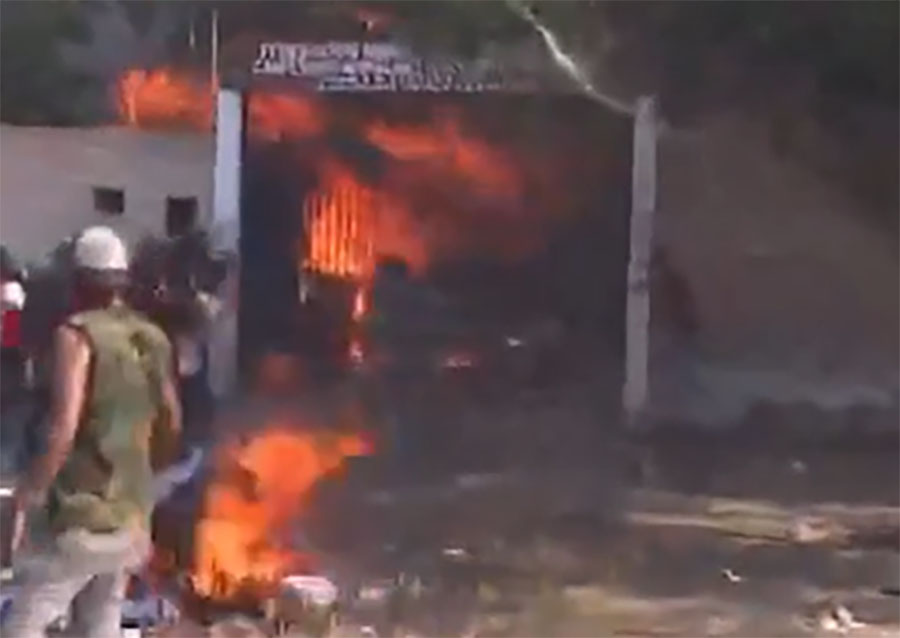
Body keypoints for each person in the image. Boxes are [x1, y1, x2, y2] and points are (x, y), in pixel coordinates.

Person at [4, 226, 181, 638]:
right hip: (131, 518)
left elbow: (64, 427)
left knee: (24, 624)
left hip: (82, 517)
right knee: (100, 622)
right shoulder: (151, 337)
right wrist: (142, 479)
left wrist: (31, 492)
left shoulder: (76, 335)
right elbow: (173, 420)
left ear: (77, 281)